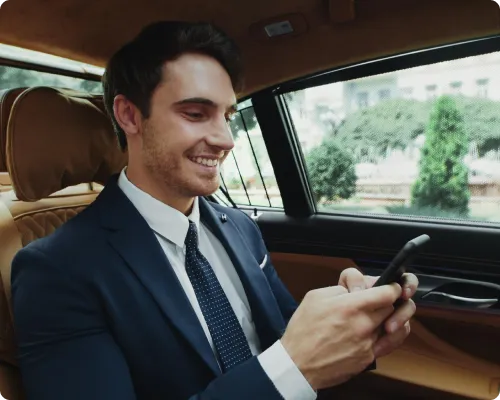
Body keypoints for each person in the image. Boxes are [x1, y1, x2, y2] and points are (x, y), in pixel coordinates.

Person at [11, 21, 418, 400]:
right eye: (195, 114)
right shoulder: (56, 271)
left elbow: (291, 339)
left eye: (227, 116)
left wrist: (352, 322)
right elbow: (293, 361)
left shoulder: (239, 227)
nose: (226, 139)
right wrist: (294, 367)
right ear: (129, 115)